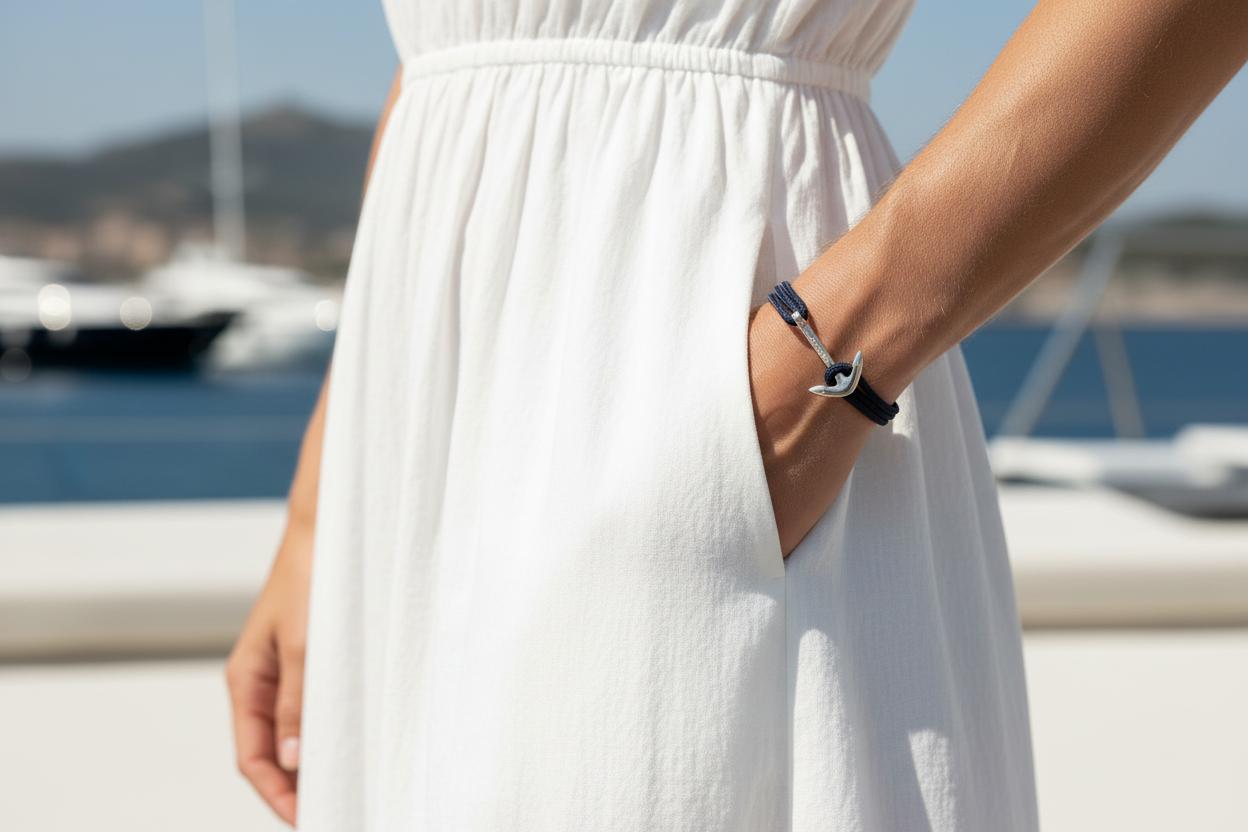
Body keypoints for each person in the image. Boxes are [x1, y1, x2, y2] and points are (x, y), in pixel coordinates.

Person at [225, 0, 1248, 829]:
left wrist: (827, 357)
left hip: (721, 311)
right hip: (417, 436)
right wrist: (321, 505)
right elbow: (453, 55)